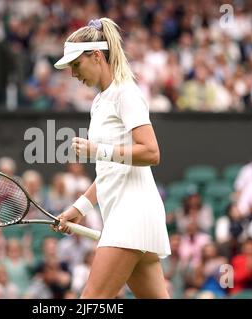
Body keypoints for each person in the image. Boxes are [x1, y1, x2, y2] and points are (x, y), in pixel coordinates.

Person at [52, 18, 171, 298]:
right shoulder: (99, 102)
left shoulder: (126, 93)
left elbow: (151, 152)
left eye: (76, 65)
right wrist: (79, 208)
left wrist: (98, 150)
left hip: (131, 216)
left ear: (96, 56)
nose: (72, 74)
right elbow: (109, 172)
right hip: (128, 216)